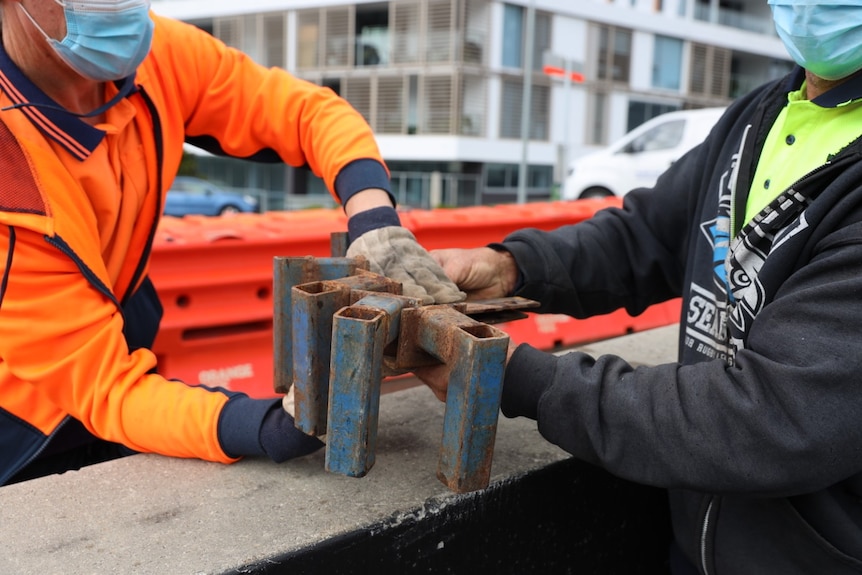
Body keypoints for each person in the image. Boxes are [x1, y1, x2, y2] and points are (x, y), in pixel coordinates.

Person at [414, 2, 862, 573]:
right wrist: (511, 267)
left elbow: (771, 418)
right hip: (692, 550)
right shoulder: (763, 112)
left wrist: (517, 379)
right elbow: (646, 234)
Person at [0, 0, 463, 486]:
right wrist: (266, 427)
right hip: (28, 427)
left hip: (120, 338)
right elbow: (105, 388)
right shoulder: (12, 179)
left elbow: (309, 112)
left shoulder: (157, 56)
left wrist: (373, 218)